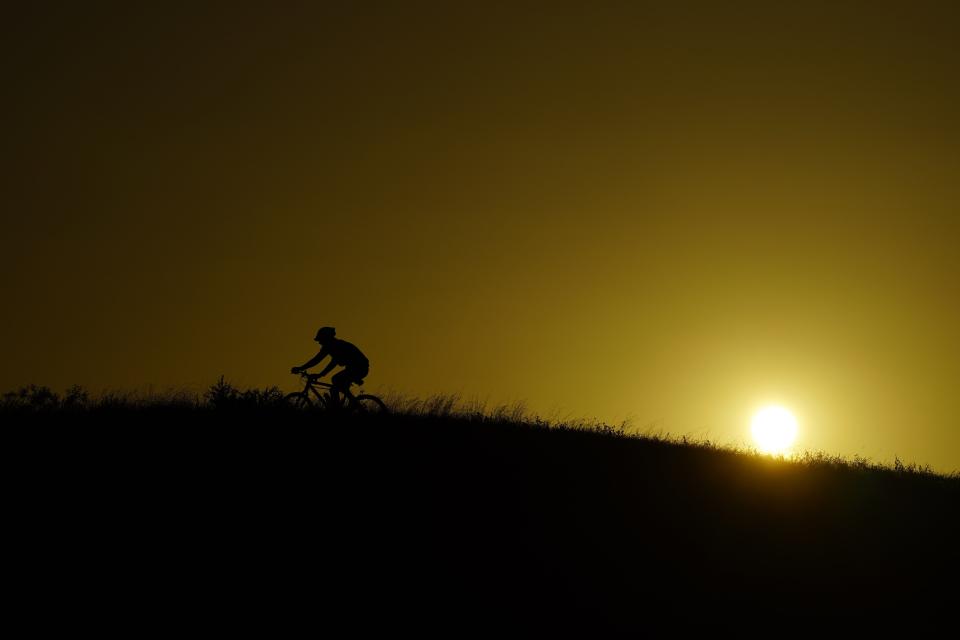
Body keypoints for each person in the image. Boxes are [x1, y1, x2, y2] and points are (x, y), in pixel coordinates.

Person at [291, 327, 370, 406]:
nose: (320, 342)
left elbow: (333, 363)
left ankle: (337, 409)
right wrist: (301, 368)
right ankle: (350, 403)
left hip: (359, 368)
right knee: (338, 384)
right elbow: (316, 359)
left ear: (327, 338)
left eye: (321, 340)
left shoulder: (336, 345)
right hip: (355, 368)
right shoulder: (329, 346)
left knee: (335, 381)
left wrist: (320, 374)